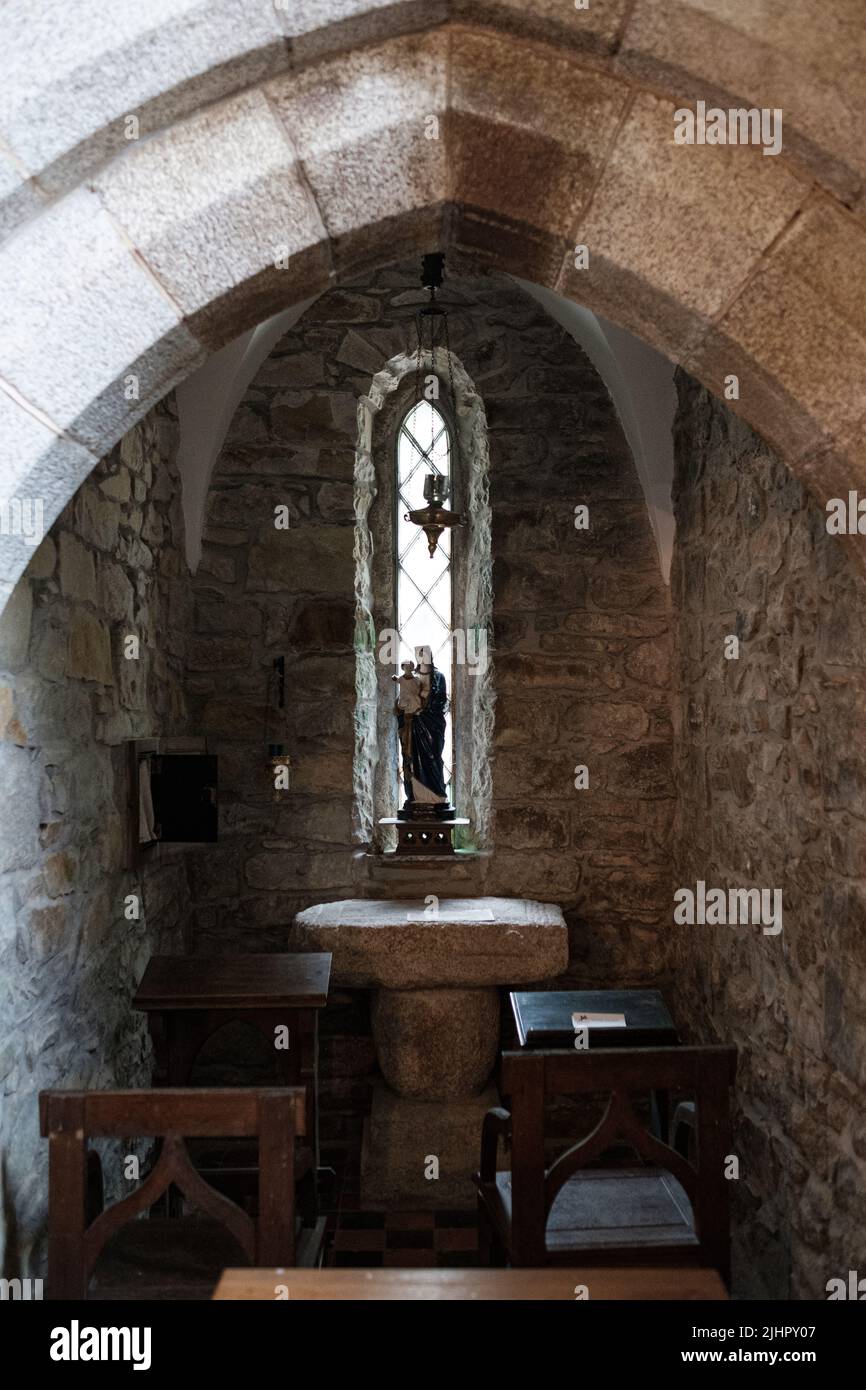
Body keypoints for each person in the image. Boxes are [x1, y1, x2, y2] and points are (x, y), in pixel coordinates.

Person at [396, 643, 450, 810]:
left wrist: (424, 710)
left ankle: (436, 795)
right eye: (419, 655)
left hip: (432, 724)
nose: (422, 658)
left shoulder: (438, 677)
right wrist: (405, 709)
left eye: (425, 654)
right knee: (413, 759)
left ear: (431, 656)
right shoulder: (412, 678)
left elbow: (441, 700)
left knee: (433, 758)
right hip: (414, 724)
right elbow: (403, 698)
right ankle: (416, 796)